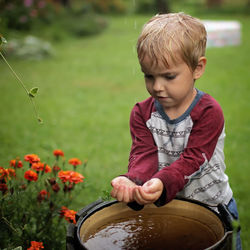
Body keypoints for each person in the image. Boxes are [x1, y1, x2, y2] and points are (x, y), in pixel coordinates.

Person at [110, 12, 241, 249]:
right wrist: (132, 180)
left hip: (212, 206)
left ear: (197, 68)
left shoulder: (208, 112)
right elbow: (144, 155)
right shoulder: (143, 113)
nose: (157, 86)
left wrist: (161, 181)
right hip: (169, 209)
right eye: (149, 76)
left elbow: (193, 159)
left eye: (169, 76)